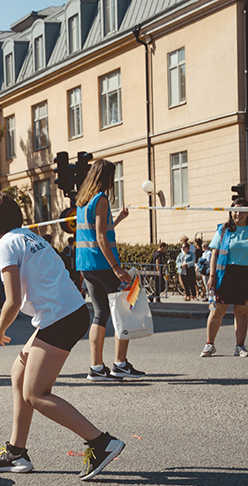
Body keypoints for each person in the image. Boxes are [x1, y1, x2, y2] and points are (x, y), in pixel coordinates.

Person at [0, 192, 125, 480]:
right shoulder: (28, 236)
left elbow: (12, 301)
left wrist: (0, 328)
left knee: (36, 393)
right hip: (68, 312)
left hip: (60, 318)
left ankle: (101, 443)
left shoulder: (5, 245)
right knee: (19, 372)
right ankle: (17, 452)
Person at [75, 159, 145, 381]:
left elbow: (98, 230)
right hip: (104, 264)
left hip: (86, 265)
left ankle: (96, 367)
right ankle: (120, 364)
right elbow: (101, 236)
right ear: (106, 177)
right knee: (124, 310)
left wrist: (119, 219)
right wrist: (116, 267)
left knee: (100, 313)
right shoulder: (101, 198)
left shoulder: (82, 201)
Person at [201, 198, 248, 358]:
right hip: (226, 274)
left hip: (247, 275)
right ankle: (209, 344)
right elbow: (214, 253)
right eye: (235, 210)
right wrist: (212, 276)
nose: (238, 213)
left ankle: (240, 346)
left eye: (242, 210)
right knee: (218, 311)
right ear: (231, 212)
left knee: (242, 312)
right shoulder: (224, 230)